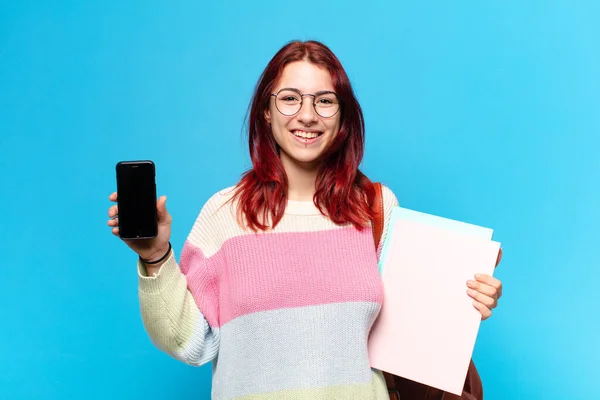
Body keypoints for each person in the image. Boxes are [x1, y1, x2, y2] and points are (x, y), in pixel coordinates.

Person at [107, 40, 503, 400]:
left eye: (325, 101)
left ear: (343, 114)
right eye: (290, 98)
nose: (308, 116)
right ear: (265, 110)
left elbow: (408, 329)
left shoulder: (376, 207)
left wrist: (465, 303)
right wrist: (156, 255)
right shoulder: (224, 215)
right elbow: (189, 343)